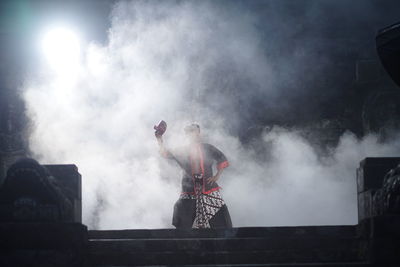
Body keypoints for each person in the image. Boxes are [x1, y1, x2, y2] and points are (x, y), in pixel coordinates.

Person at [155, 122, 232, 229]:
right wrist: (159, 138)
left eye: (193, 131)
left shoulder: (208, 148)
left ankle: (223, 241)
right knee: (182, 220)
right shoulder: (182, 150)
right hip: (189, 189)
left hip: (208, 188)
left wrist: (217, 176)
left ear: (198, 133)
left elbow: (222, 159)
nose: (191, 134)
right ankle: (184, 242)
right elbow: (165, 153)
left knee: (221, 221)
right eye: (189, 132)